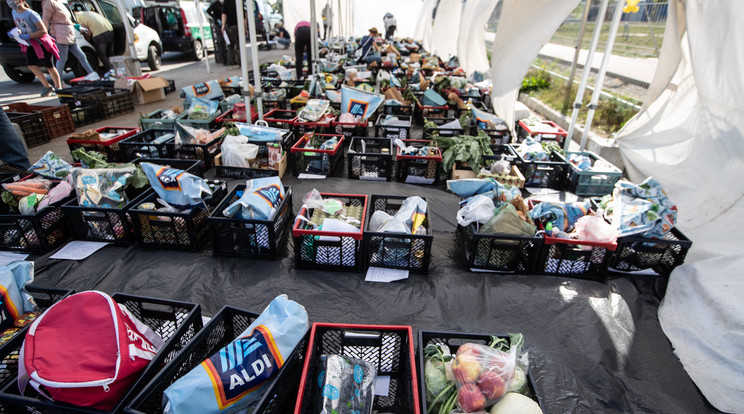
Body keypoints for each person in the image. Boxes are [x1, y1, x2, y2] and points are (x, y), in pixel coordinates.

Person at [7, 0, 62, 96]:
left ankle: (59, 88)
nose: (11, 2)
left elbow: (43, 30)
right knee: (31, 65)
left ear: (21, 1)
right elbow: (18, 27)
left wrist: (29, 36)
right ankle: (47, 87)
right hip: (30, 44)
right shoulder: (14, 12)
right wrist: (15, 33)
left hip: (42, 43)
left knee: (49, 66)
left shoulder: (31, 14)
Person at [42, 0, 95, 84]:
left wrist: (76, 26)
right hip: (60, 33)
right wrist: (44, 34)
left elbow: (66, 19)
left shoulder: (59, 2)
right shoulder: (49, 2)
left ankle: (92, 74)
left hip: (68, 32)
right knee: (62, 58)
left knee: (81, 55)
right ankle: (58, 82)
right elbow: (45, 19)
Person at [220, 0, 243, 66]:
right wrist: (245, 28)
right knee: (239, 45)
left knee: (230, 45)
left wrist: (223, 25)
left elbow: (224, 14)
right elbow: (244, 17)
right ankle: (241, 61)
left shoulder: (226, 2)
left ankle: (231, 62)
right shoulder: (239, 1)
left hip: (231, 26)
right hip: (240, 26)